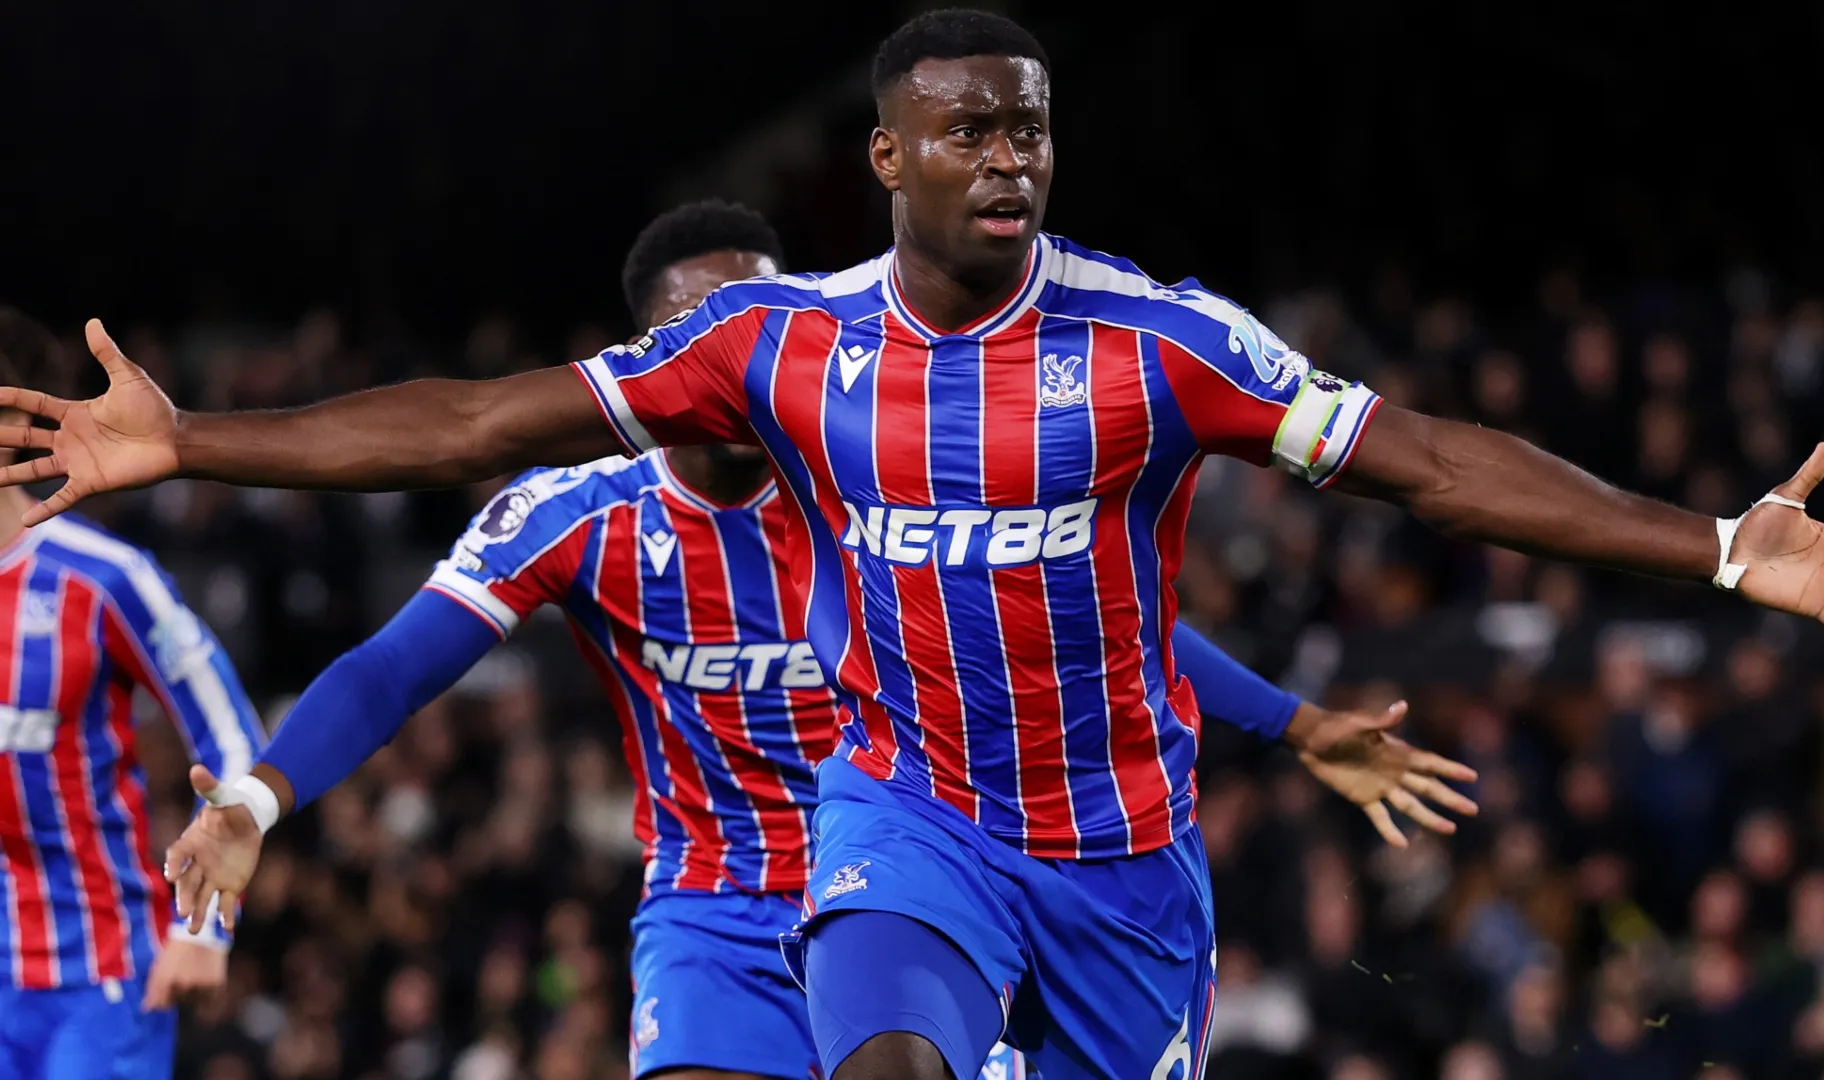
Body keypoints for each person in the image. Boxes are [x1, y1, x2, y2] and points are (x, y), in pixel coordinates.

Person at [1, 9, 1824, 1078]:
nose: (1008, 156)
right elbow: (465, 434)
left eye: (1032, 129)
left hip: (1122, 864)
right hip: (886, 831)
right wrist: (196, 446)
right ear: (888, 162)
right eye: (967, 130)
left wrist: (1714, 551)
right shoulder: (766, 360)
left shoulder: (1158, 345)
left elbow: (1417, 463)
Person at [158, 201, 1462, 1080]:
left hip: (936, 889)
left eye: (764, 320)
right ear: (659, 355)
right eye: (707, 334)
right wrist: (261, 801)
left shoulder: (875, 478)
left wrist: (1290, 725)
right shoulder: (578, 518)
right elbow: (396, 668)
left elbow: (1109, 635)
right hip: (718, 912)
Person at [0, 308, 265, 1079]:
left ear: (15, 415)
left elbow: (234, 736)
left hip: (100, 983)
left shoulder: (101, 577)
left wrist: (205, 930)